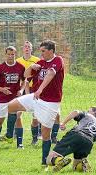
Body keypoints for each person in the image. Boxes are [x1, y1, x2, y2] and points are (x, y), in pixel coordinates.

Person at [7, 40, 65, 168]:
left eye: (43, 51)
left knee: (45, 135)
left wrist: (40, 89)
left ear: (51, 51)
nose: (41, 53)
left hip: (51, 103)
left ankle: (44, 162)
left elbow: (51, 73)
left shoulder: (58, 60)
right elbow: (25, 75)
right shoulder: (40, 63)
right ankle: (9, 135)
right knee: (11, 106)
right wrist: (31, 67)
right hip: (36, 98)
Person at [46, 107, 96, 172]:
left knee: (49, 159)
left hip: (76, 135)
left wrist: (63, 123)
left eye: (88, 110)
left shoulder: (88, 115)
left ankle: (59, 161)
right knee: (75, 167)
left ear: (94, 112)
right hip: (88, 142)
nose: (87, 111)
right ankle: (83, 165)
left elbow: (75, 112)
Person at [0, 46, 25, 149]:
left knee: (18, 118)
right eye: (8, 54)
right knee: (0, 120)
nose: (10, 56)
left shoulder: (20, 67)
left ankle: (20, 144)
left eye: (12, 54)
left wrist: (21, 90)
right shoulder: (0, 68)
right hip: (2, 98)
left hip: (15, 99)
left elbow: (24, 81)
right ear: (5, 55)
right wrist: (1, 89)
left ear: (15, 54)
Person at [15, 41, 41, 145]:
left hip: (34, 89)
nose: (27, 48)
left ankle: (36, 135)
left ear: (31, 49)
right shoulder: (18, 61)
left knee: (36, 114)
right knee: (17, 112)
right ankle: (15, 132)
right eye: (25, 47)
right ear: (22, 49)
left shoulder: (37, 60)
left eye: (28, 47)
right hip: (21, 89)